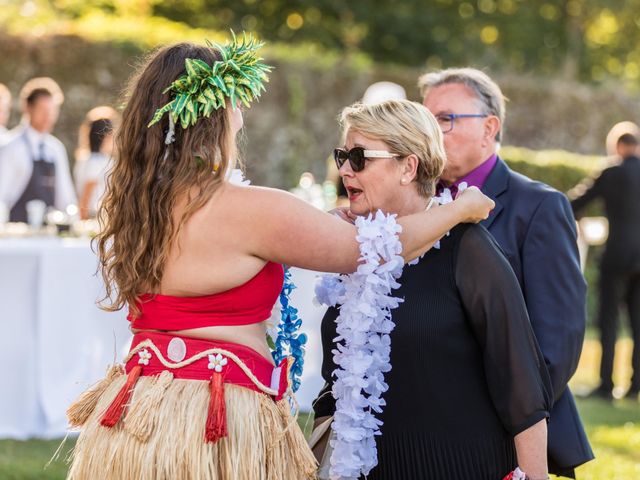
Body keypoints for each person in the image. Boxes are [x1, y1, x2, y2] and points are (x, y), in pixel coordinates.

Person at [65, 38, 494, 480]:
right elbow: (368, 249)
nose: (241, 116)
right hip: (215, 417)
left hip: (138, 409)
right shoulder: (249, 209)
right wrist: (458, 209)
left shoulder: (139, 206)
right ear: (214, 115)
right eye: (235, 104)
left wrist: (322, 222)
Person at [312, 99, 552, 480]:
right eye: (342, 155)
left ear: (409, 166)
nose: (343, 169)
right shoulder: (354, 250)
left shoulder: (467, 247)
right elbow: (335, 387)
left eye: (359, 157)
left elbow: (520, 383)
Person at [420, 67, 592, 477]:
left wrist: (492, 424)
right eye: (426, 122)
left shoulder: (539, 207)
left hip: (501, 437)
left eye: (445, 120)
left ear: (489, 127)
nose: (431, 133)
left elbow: (557, 346)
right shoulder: (413, 210)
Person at [571, 133, 640, 400]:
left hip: (617, 255)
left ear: (619, 147)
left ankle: (606, 385)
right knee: (637, 321)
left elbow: (577, 201)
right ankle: (635, 386)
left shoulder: (612, 172)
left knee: (608, 319)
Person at [0, 77, 76, 222]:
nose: (48, 116)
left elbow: (66, 198)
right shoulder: (10, 147)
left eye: (53, 110)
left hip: (48, 235)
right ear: (27, 108)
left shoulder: (56, 149)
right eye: (43, 110)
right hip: (14, 236)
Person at [74, 107, 117, 219]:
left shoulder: (85, 159)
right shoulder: (97, 162)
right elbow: (86, 197)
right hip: (94, 216)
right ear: (106, 136)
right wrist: (83, 222)